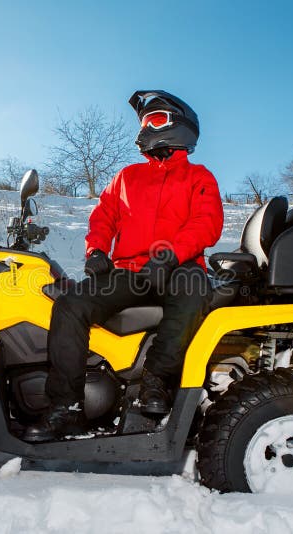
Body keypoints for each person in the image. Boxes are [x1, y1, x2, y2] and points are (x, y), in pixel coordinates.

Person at [24, 90, 224, 442]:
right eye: (145, 121)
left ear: (180, 128)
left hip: (179, 267)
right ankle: (66, 408)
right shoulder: (128, 177)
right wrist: (96, 251)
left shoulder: (199, 177)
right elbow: (103, 217)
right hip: (130, 271)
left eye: (155, 120)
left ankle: (156, 381)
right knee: (71, 305)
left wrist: (169, 256)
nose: (146, 128)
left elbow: (206, 224)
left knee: (193, 295)